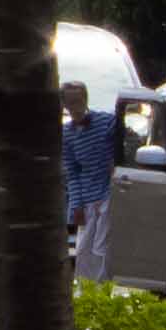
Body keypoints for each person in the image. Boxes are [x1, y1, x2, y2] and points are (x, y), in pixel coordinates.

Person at [59, 78, 116, 255]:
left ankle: (102, 282)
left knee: (102, 246)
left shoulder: (106, 122)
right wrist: (76, 205)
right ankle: (85, 283)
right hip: (87, 195)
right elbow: (72, 172)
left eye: (79, 101)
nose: (76, 107)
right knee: (83, 249)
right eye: (70, 103)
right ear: (65, 105)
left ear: (86, 100)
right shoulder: (67, 133)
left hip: (109, 191)